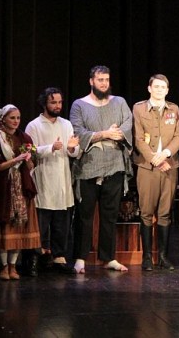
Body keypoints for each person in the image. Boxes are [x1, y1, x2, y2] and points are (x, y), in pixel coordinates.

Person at [70, 65, 133, 273]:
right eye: (100, 80)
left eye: (106, 79)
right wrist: (105, 134)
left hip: (114, 165)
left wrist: (117, 133)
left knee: (110, 214)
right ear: (91, 81)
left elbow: (128, 123)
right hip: (89, 166)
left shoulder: (119, 102)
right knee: (85, 215)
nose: (104, 83)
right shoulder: (79, 105)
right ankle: (80, 257)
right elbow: (78, 131)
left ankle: (108, 257)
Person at [25, 87, 80, 274]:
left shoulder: (66, 124)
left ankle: (59, 259)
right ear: (44, 104)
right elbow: (30, 151)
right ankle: (35, 259)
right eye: (53, 102)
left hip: (62, 180)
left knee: (61, 225)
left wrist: (72, 148)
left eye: (60, 102)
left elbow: (73, 151)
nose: (57, 106)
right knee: (41, 225)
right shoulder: (34, 126)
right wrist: (50, 147)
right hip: (44, 180)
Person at [133, 74, 179, 271]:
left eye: (163, 87)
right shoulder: (139, 108)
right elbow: (138, 139)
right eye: (156, 86)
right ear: (149, 88)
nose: (159, 90)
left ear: (167, 90)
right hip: (148, 167)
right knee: (146, 211)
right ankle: (147, 257)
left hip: (169, 165)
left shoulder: (174, 109)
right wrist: (154, 158)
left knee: (165, 212)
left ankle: (163, 256)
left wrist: (165, 154)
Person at [0, 105, 41, 280]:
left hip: (21, 186)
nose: (16, 121)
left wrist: (29, 160)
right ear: (3, 119)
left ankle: (13, 266)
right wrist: (16, 160)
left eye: (18, 118)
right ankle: (3, 266)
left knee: (18, 226)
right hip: (4, 187)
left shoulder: (24, 138)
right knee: (5, 227)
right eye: (12, 118)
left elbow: (31, 165)